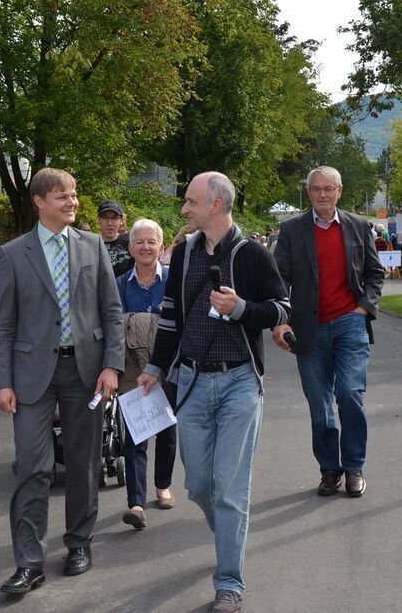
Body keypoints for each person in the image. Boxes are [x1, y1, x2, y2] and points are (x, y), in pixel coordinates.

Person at [138, 171, 290, 613]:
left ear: (216, 205)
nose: (184, 209)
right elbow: (170, 317)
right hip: (191, 381)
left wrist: (240, 308)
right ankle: (228, 528)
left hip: (240, 382)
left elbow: (282, 308)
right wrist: (153, 367)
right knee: (200, 485)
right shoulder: (182, 254)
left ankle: (229, 584)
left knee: (230, 490)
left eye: (190, 201)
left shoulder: (253, 254)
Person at [0, 168, 123, 595]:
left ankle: (79, 543)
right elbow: (3, 326)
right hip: (31, 376)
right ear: (39, 201)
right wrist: (2, 381)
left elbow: (111, 311)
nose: (72, 203)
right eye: (62, 196)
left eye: (74, 195)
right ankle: (29, 563)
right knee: (33, 466)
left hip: (85, 371)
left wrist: (112, 366)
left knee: (85, 463)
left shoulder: (92, 247)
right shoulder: (13, 253)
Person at [272, 166, 384, 501]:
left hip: (350, 322)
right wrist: (280, 320)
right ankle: (329, 471)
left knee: (350, 394)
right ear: (308, 193)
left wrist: (364, 307)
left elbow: (375, 273)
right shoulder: (291, 230)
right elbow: (279, 280)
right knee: (320, 406)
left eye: (328, 188)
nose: (322, 194)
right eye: (316, 189)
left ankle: (353, 467)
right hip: (309, 329)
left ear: (340, 191)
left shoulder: (359, 226)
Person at [115, 218, 177, 529]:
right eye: (139, 242)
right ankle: (136, 504)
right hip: (132, 370)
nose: (145, 247)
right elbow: (112, 329)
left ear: (161, 247)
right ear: (130, 248)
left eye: (151, 242)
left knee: (167, 431)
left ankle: (163, 485)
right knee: (134, 436)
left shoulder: (174, 282)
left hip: (168, 367)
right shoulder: (119, 284)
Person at [98, 200, 134, 277]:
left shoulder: (129, 244)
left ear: (121, 220)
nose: (109, 223)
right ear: (99, 220)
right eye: (105, 217)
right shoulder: (91, 244)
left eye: (114, 218)